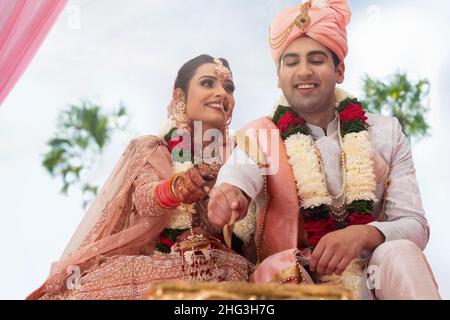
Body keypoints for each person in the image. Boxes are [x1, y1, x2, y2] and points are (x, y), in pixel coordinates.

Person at [207, 0, 441, 300]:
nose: (303, 71)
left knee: (400, 252)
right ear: (278, 76)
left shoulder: (384, 133)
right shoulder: (259, 135)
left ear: (339, 69)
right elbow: (240, 172)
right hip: (295, 279)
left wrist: (363, 234)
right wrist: (230, 192)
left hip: (372, 276)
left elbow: (414, 224)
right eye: (291, 62)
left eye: (316, 59)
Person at [27, 55, 255, 300]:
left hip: (223, 267)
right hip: (160, 260)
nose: (222, 92)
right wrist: (179, 187)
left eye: (228, 87)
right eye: (208, 83)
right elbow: (146, 198)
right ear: (180, 97)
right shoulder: (155, 147)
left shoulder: (243, 155)